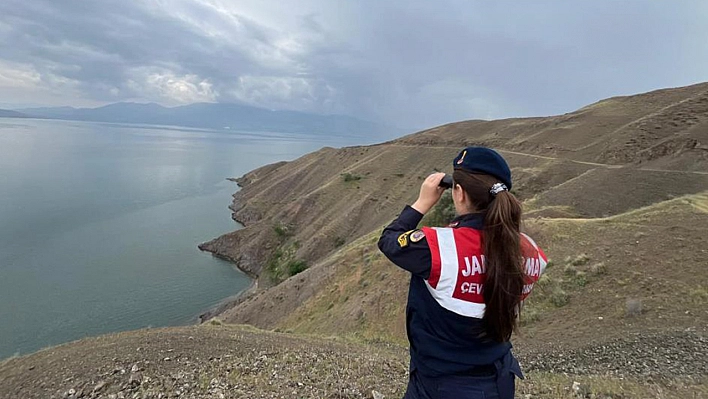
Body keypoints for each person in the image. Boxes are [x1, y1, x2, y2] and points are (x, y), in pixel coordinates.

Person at [378, 147, 548, 399]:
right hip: (499, 377)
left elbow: (389, 240)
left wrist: (422, 203)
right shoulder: (530, 251)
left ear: (458, 192)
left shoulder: (440, 247)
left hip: (442, 383)